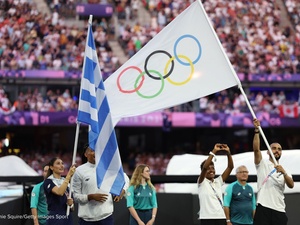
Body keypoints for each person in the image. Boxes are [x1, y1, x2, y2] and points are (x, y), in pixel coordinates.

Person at [72, 144, 130, 225]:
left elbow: (125, 179)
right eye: (92, 150)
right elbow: (76, 197)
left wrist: (122, 191)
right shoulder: (79, 171)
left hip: (106, 217)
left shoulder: (108, 167)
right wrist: (90, 197)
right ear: (86, 154)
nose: (95, 152)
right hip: (86, 220)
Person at [252, 118, 294, 225]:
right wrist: (257, 131)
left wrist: (284, 173)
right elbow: (256, 150)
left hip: (279, 209)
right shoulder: (262, 164)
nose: (277, 150)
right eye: (274, 148)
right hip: (263, 207)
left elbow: (291, 185)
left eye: (279, 149)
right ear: (268, 151)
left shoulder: (285, 170)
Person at [197, 143, 234, 225]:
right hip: (207, 218)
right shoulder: (201, 181)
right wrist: (214, 152)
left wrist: (228, 152)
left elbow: (230, 167)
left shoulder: (218, 181)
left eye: (213, 168)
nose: (211, 170)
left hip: (221, 217)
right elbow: (205, 167)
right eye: (209, 169)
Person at [43, 157, 76, 225]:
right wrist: (69, 175)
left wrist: (71, 205)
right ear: (52, 167)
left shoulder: (66, 182)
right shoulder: (48, 181)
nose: (61, 165)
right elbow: (59, 192)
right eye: (58, 163)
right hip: (56, 217)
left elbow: (72, 208)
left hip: (68, 217)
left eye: (62, 163)